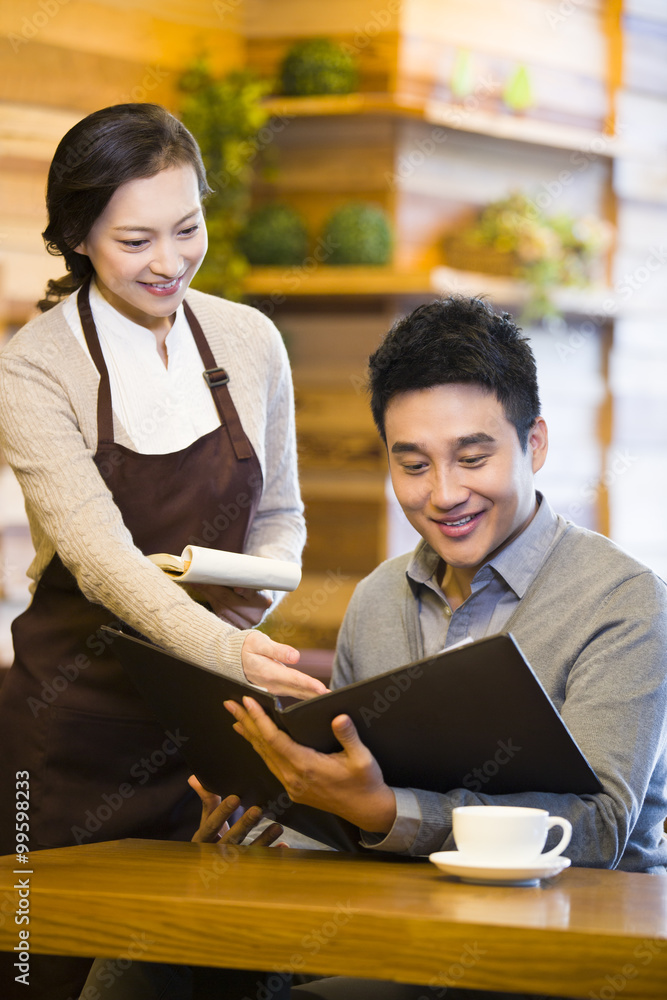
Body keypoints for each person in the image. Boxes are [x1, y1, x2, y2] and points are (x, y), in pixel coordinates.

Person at [223, 295, 667, 1000]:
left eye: (471, 457)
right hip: (399, 926)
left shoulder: (622, 598)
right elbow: (346, 807)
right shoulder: (376, 598)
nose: (443, 493)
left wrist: (386, 812)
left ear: (535, 445)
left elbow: (602, 829)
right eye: (413, 465)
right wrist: (277, 813)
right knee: (150, 962)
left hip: (567, 946)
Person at [0, 103, 325, 1000]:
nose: (170, 260)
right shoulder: (34, 369)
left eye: (188, 229)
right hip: (70, 730)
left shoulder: (250, 341)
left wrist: (255, 602)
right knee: (42, 963)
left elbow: (284, 514)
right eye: (136, 239)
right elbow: (101, 563)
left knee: (196, 963)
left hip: (203, 725)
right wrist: (230, 649)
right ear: (79, 237)